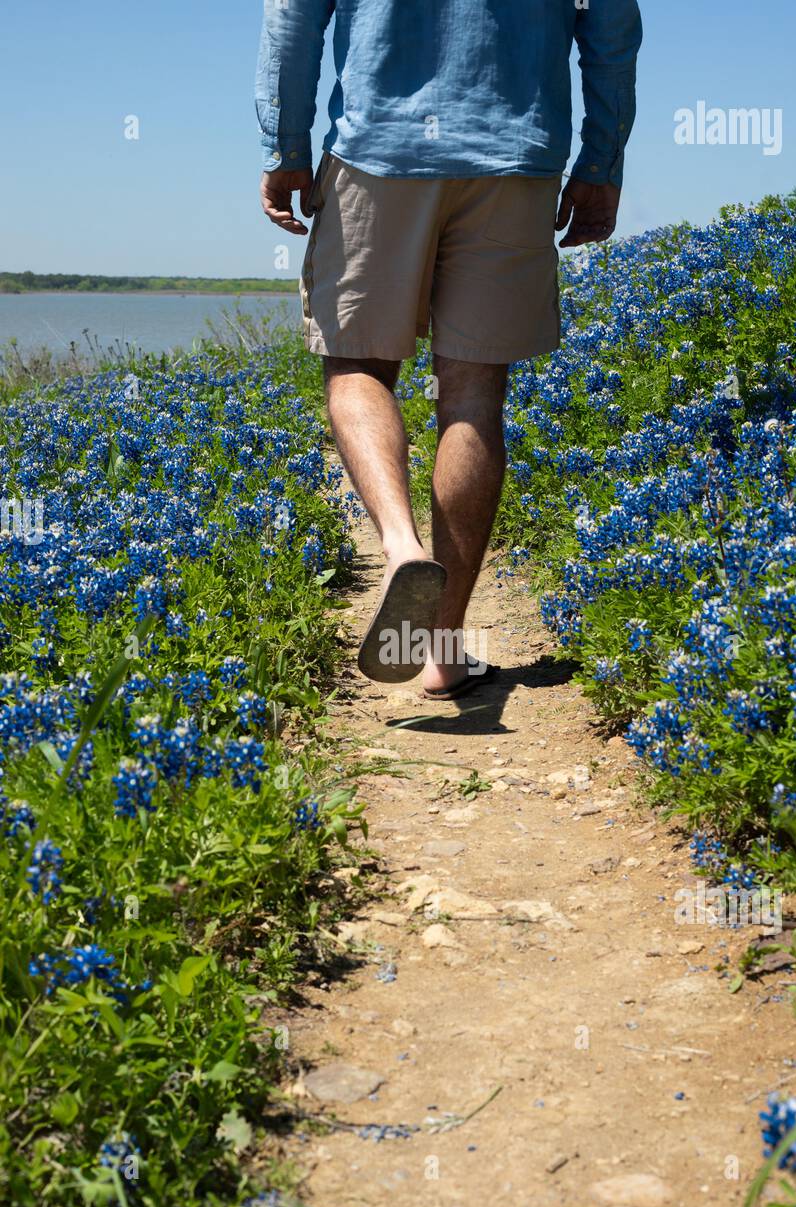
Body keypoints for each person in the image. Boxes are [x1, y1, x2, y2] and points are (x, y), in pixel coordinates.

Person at [256, 0, 642, 696]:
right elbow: (610, 26)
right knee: (472, 393)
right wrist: (601, 158)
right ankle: (439, 646)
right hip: (513, 153)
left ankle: (402, 547)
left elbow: (292, 18)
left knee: (358, 367)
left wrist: (285, 147)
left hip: (378, 149)